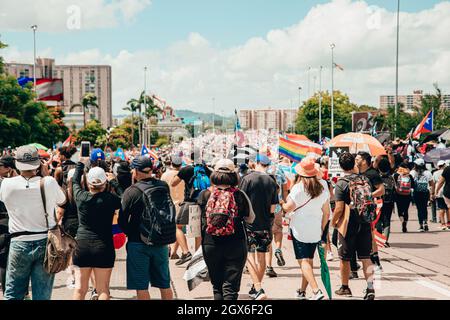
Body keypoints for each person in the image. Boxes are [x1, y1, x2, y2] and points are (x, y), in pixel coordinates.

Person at [0, 145, 66, 300]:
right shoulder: (48, 182)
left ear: (17, 164)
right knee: (42, 294)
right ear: (38, 163)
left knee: (13, 293)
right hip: (45, 242)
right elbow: (63, 200)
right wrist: (45, 175)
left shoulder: (7, 185)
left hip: (18, 241)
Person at [197, 159, 254, 300]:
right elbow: (251, 218)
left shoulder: (204, 194)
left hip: (210, 243)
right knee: (231, 287)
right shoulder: (239, 195)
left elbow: (196, 223)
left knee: (217, 286)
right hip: (236, 242)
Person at [119, 156, 174, 300]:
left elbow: (122, 220)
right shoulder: (163, 186)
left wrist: (130, 234)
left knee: (141, 286)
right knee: (164, 284)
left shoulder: (131, 191)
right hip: (161, 240)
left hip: (138, 242)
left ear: (136, 171)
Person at [71, 159, 121, 300]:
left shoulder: (81, 197)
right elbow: (125, 198)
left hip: (81, 245)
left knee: (80, 288)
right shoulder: (111, 199)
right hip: (103, 246)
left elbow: (74, 182)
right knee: (103, 289)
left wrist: (79, 166)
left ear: (88, 182)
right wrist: (115, 182)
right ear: (105, 183)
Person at [281, 157, 330, 300]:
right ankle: (302, 291)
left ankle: (316, 291)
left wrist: (281, 202)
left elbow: (288, 208)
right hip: (315, 229)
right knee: (308, 261)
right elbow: (326, 212)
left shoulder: (298, 188)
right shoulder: (323, 187)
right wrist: (322, 230)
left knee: (303, 261)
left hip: (300, 229)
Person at [332, 152, 375, 300]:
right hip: (365, 221)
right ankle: (370, 288)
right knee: (365, 257)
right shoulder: (365, 179)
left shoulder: (341, 183)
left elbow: (338, 208)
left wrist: (333, 223)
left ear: (341, 166)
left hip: (348, 224)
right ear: (354, 164)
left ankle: (345, 287)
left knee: (344, 258)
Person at [239, 154, 278, 300]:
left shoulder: (247, 179)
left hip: (249, 224)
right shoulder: (272, 181)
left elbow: (240, 201)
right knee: (262, 256)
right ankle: (256, 287)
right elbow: (273, 208)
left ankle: (258, 288)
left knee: (249, 256)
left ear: (255, 163)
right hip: (266, 224)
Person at [171, 150, 211, 265]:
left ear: (192, 158)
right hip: (203, 203)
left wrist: (178, 174)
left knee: (177, 227)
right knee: (198, 231)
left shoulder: (187, 169)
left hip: (189, 202)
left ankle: (185, 252)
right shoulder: (206, 170)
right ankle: (197, 259)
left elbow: (173, 183)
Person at [355, 152, 384, 272]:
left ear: (364, 161)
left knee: (369, 234)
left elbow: (381, 190)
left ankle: (375, 261)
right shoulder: (358, 173)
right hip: (360, 207)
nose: (356, 160)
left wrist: (368, 196)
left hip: (370, 207)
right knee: (366, 234)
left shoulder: (372, 174)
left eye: (358, 158)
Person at [161, 155, 185, 260]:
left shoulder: (165, 175)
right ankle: (175, 252)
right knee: (178, 228)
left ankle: (170, 249)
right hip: (181, 204)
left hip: (167, 204)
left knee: (168, 229)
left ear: (171, 163)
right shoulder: (183, 175)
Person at [266, 158, 288, 273]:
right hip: (278, 205)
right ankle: (278, 249)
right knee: (278, 230)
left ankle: (269, 266)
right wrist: (285, 203)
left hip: (265, 208)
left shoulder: (262, 172)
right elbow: (285, 189)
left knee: (268, 234)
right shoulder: (279, 170)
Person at [0, 155, 17, 294]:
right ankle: (6, 292)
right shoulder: (9, 184)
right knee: (3, 260)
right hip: (5, 222)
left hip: (5, 223)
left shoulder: (6, 183)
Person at [410, 158, 435, 232]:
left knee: (419, 208)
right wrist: (432, 193)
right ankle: (425, 222)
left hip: (416, 192)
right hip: (425, 192)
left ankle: (421, 225)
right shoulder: (428, 172)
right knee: (424, 208)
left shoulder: (413, 172)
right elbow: (432, 184)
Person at [376, 158, 396, 246]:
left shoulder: (377, 177)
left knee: (378, 219)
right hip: (389, 201)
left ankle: (379, 239)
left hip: (379, 201)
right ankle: (385, 240)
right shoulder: (391, 177)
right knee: (387, 220)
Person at [433, 161, 449, 230]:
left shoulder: (435, 173)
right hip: (446, 191)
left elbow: (437, 182)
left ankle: (443, 223)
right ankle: (448, 222)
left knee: (441, 208)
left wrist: (435, 191)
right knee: (448, 208)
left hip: (440, 192)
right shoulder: (446, 169)